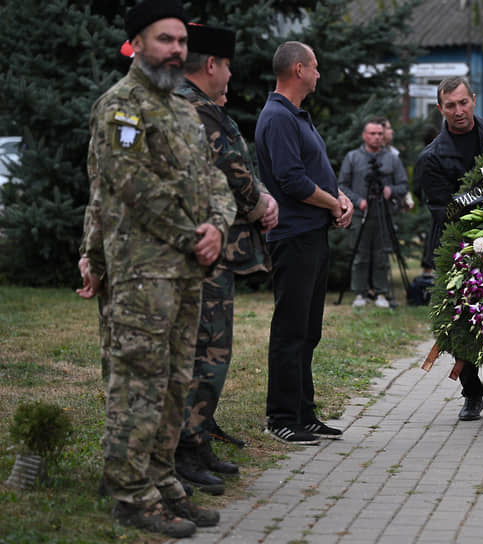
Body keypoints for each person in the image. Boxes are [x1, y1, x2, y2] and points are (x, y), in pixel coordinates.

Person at [82, 0, 237, 536]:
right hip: (142, 275)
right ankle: (129, 494)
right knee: (138, 386)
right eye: (164, 40)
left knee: (175, 383)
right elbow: (130, 184)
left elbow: (214, 179)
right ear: (138, 44)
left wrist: (217, 225)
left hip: (186, 271)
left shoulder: (178, 107)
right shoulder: (121, 107)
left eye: (180, 41)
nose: (176, 49)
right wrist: (190, 236)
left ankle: (162, 483)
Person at [172, 23, 279, 495]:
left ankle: (197, 441)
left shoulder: (196, 106)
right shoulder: (194, 109)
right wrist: (260, 203)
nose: (232, 75)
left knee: (208, 350)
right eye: (228, 66)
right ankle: (185, 449)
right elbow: (229, 171)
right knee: (206, 353)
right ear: (211, 65)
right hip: (201, 250)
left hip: (211, 246)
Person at [255, 41, 354, 445]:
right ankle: (280, 417)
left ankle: (304, 414)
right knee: (290, 329)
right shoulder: (277, 117)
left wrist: (340, 196)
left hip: (311, 234)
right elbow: (293, 180)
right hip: (293, 236)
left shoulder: (296, 116)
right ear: (298, 69)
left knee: (308, 329)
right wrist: (333, 203)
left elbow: (314, 172)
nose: (318, 73)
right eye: (315, 66)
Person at [413, 76, 483, 425]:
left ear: (474, 99)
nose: (459, 111)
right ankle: (471, 393)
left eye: (463, 102)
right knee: (463, 323)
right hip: (456, 247)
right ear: (440, 109)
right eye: (450, 105)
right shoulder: (432, 157)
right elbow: (445, 211)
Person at [338, 119, 408, 308]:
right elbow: (341, 185)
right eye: (372, 134)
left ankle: (381, 293)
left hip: (384, 215)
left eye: (380, 134)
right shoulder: (352, 157)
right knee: (360, 255)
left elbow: (403, 185)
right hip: (361, 215)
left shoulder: (392, 158)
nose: (377, 137)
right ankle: (360, 293)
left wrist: (390, 191)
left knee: (382, 256)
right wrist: (357, 200)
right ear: (364, 135)